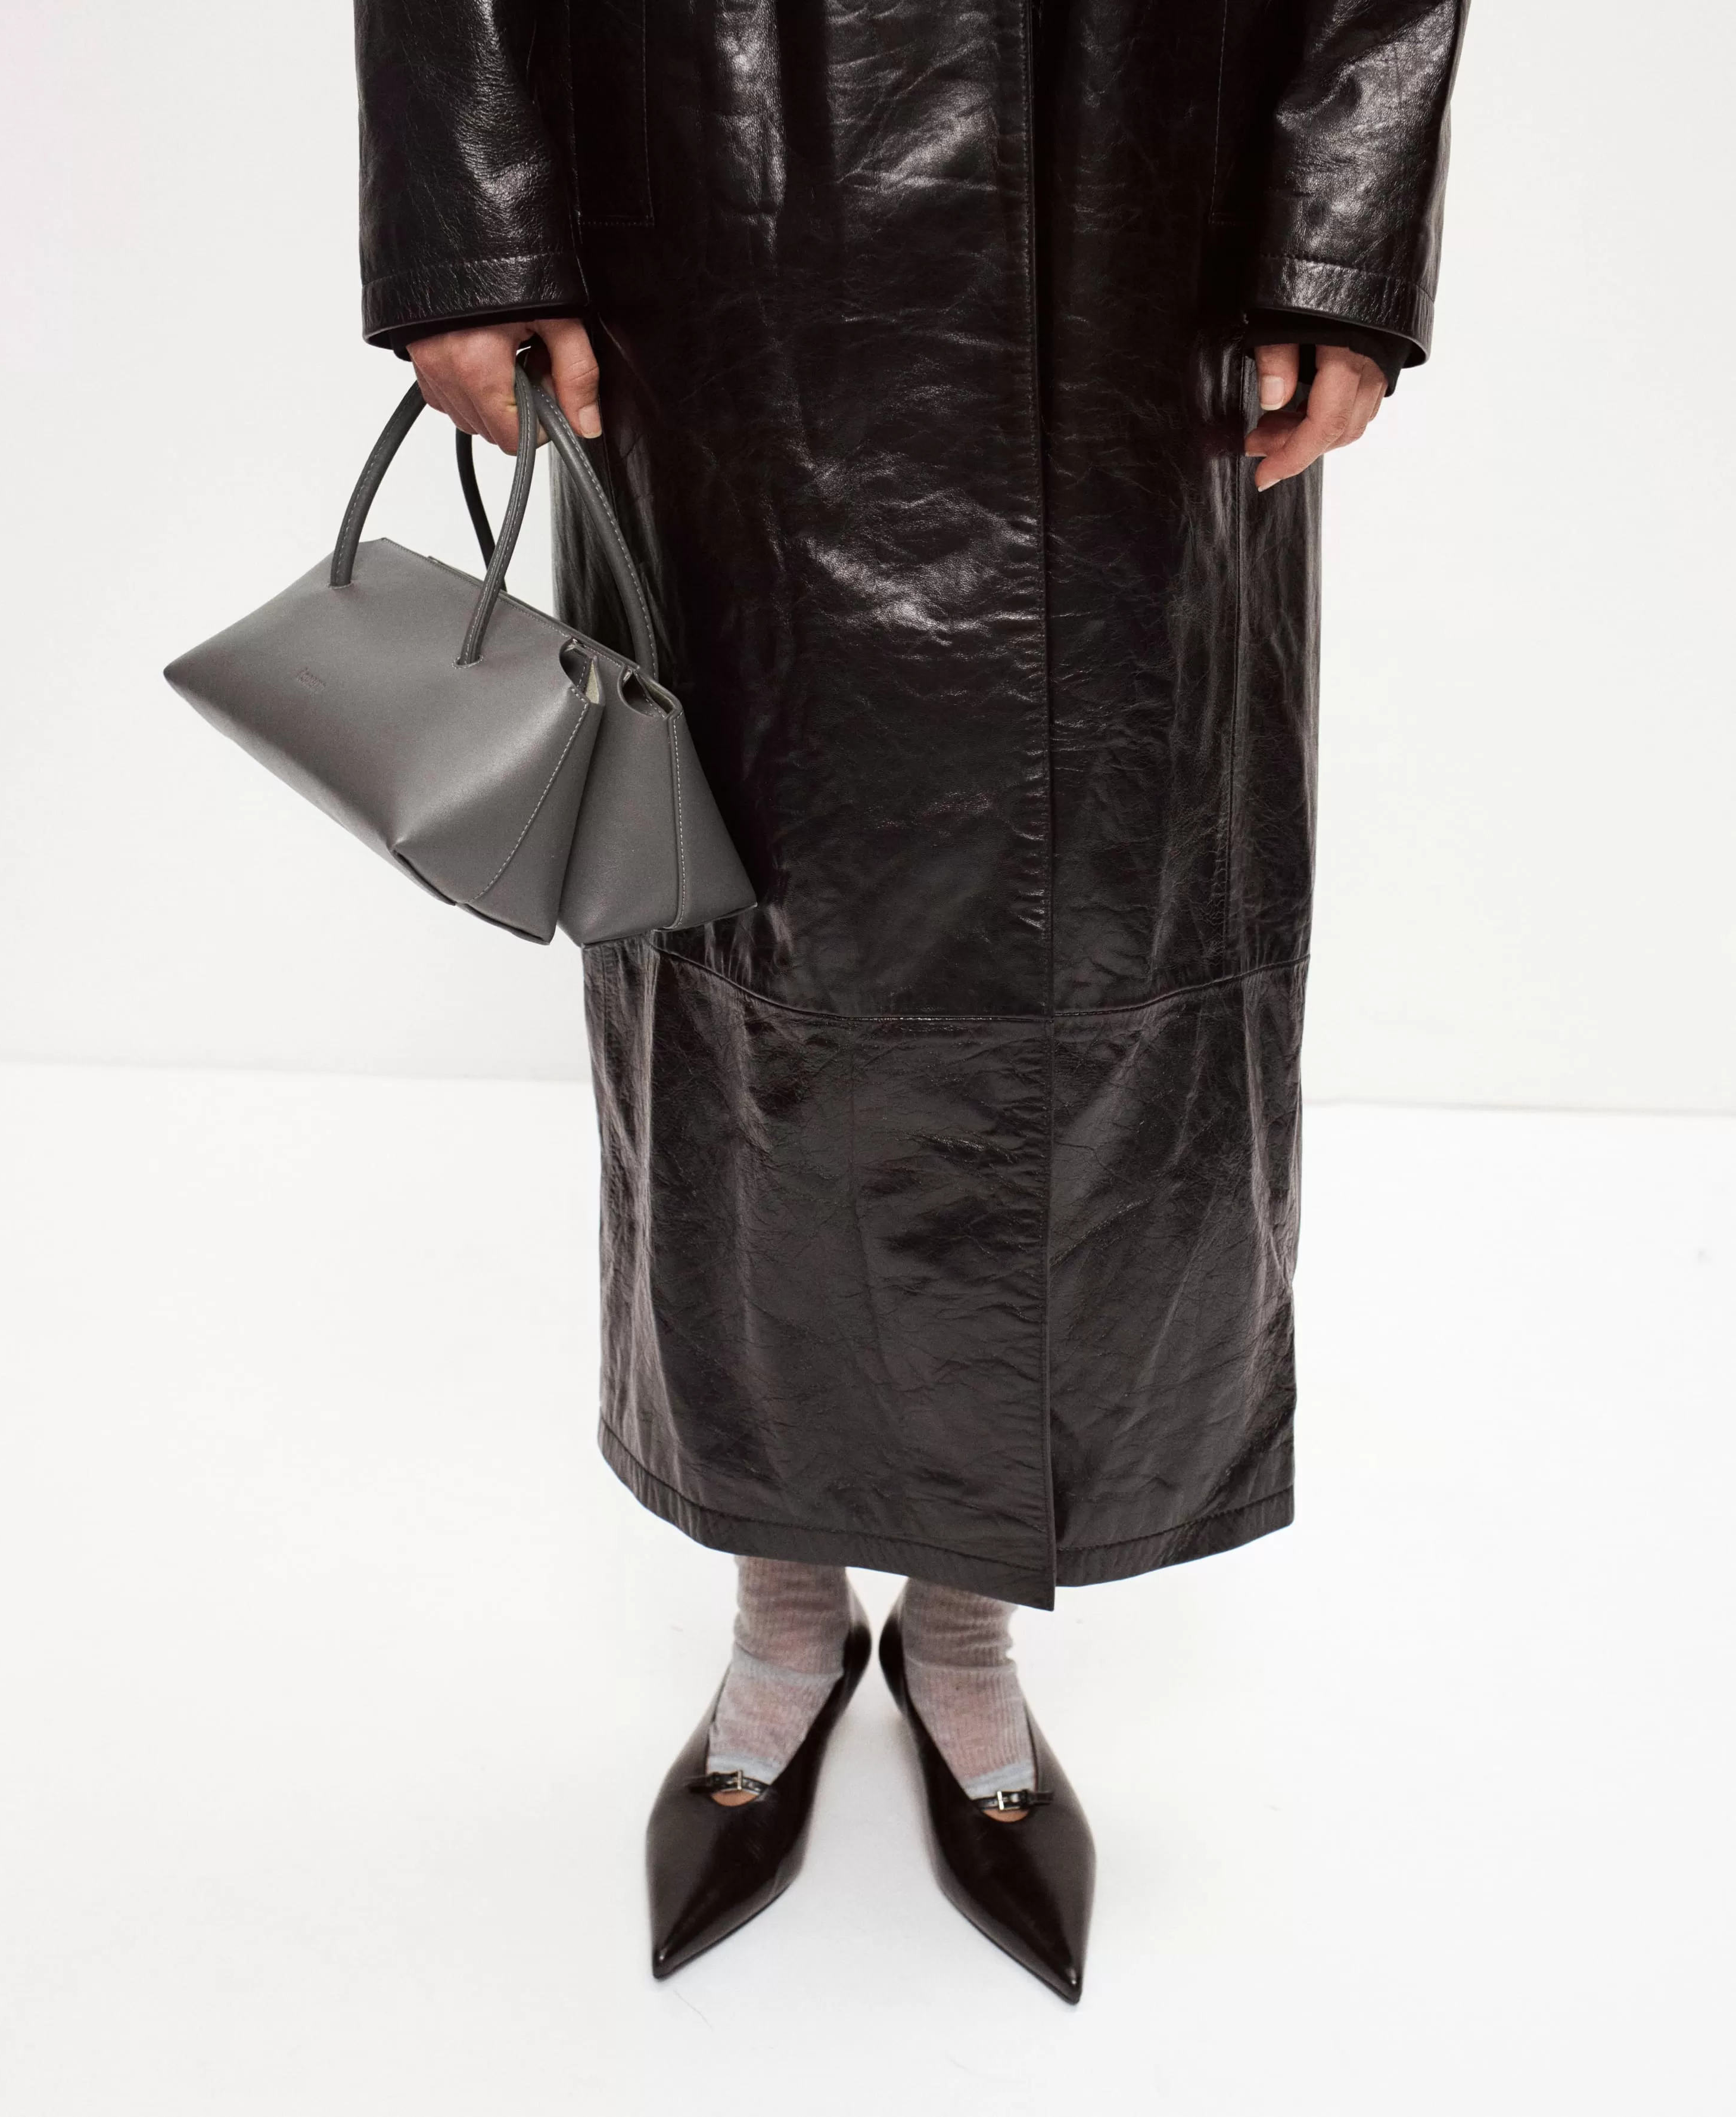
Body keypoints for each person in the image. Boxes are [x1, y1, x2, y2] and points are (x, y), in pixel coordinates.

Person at [353, 0, 1468, 2001]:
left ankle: (963, 1634)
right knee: (740, 944)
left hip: (1141, 220)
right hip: (715, 196)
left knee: (1098, 945)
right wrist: (477, 228)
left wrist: (1337, 246)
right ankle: (787, 1620)